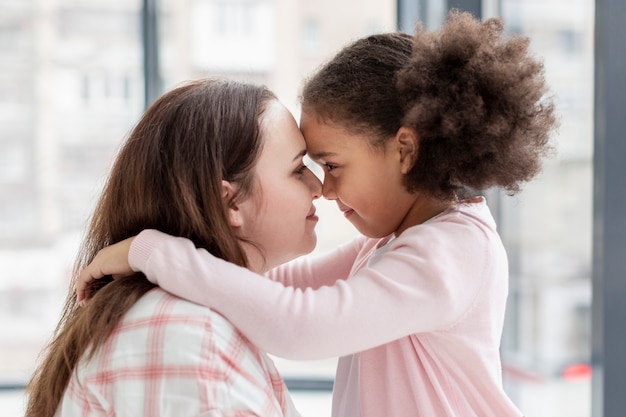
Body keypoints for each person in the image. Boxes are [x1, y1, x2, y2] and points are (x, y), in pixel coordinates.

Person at [77, 10, 558, 417]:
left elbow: (300, 325)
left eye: (331, 165)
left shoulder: (453, 250)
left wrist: (154, 251)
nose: (324, 189)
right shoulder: (393, 243)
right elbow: (274, 288)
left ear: (405, 151)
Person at [26, 78, 323, 416]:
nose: (319, 187)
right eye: (298, 169)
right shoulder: (188, 337)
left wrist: (146, 250)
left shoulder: (190, 325)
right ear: (231, 202)